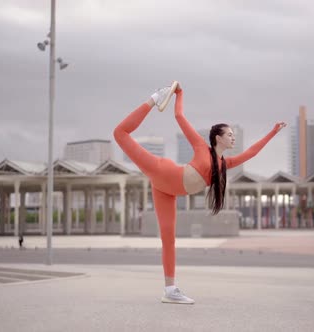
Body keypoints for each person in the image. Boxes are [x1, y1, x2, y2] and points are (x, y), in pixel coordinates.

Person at [113, 81, 286, 304]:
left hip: (166, 191)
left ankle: (170, 290)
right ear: (218, 138)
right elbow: (179, 116)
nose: (233, 138)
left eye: (234, 135)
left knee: (168, 239)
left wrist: (273, 132)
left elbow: (251, 152)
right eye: (230, 134)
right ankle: (154, 97)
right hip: (163, 171)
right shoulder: (200, 146)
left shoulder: (224, 164)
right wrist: (179, 93)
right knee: (120, 133)